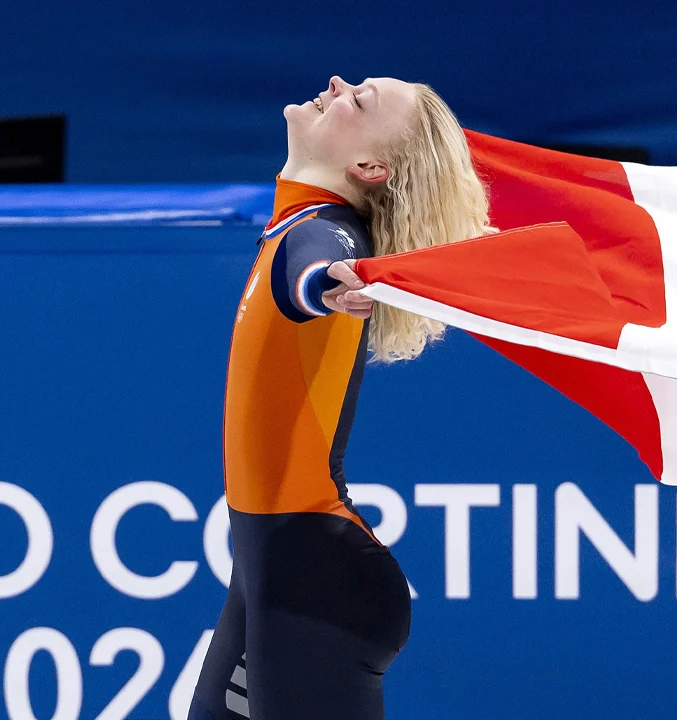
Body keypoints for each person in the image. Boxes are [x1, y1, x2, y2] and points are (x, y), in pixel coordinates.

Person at [189, 76, 493, 720]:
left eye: (359, 99)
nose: (337, 84)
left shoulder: (326, 233)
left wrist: (325, 286)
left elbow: (316, 269)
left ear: (369, 167)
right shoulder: (298, 223)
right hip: (277, 574)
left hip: (316, 582)